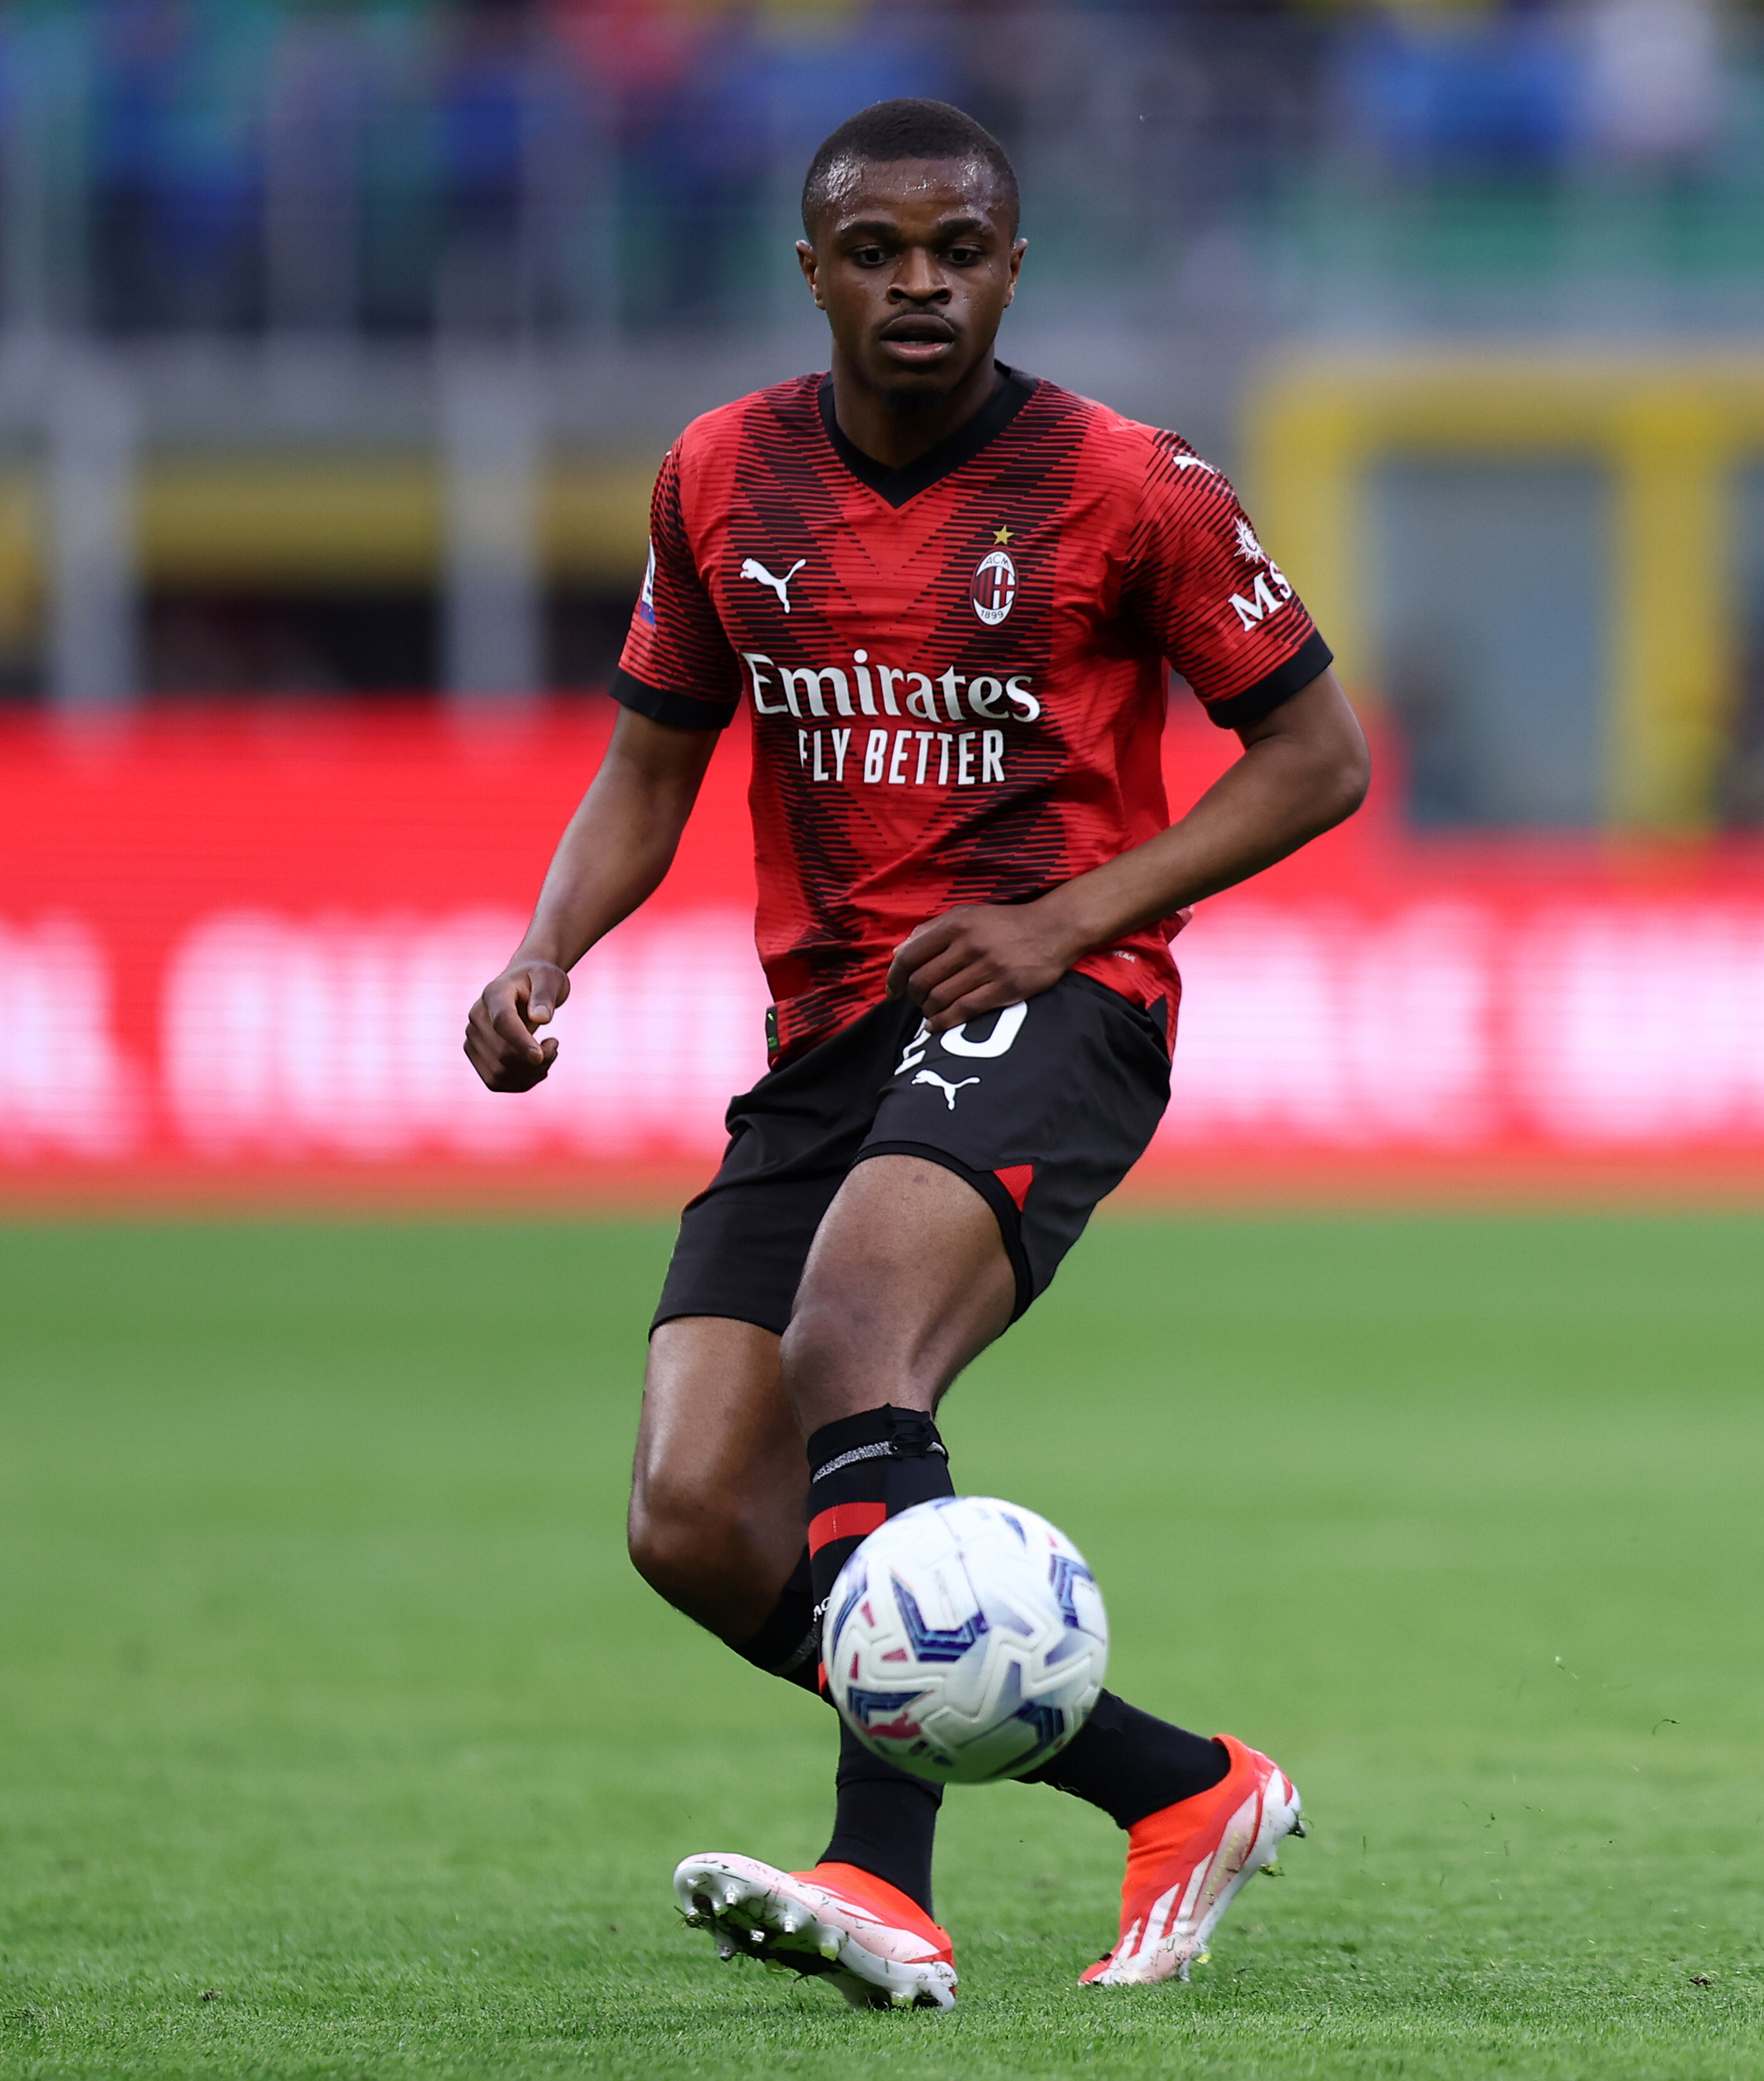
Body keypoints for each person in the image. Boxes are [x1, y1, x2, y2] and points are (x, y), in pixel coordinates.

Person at [462, 98, 1367, 2009]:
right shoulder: (717, 481)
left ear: (1012, 267)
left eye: (957, 251)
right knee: (697, 1513)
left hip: (1053, 999)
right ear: (813, 272)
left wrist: (1072, 917)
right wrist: (548, 946)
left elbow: (1316, 758)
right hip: (825, 1039)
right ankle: (1174, 1784)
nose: (917, 285)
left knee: (852, 1342)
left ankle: (884, 1880)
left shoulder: (1130, 489)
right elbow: (649, 765)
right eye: (874, 252)